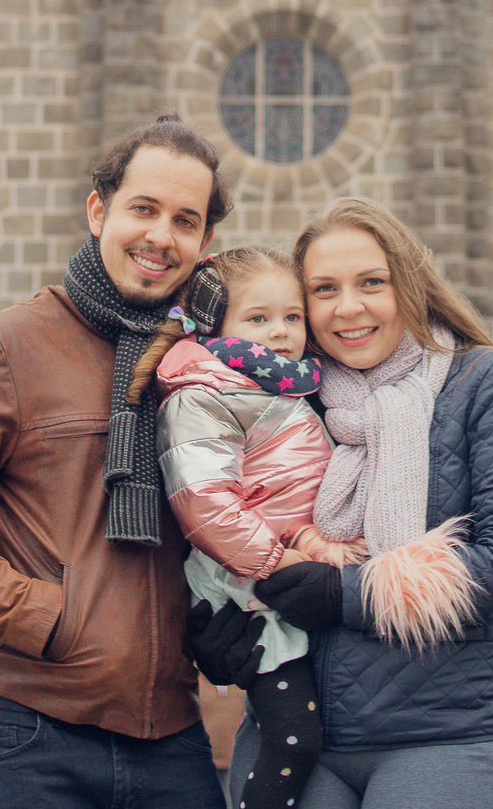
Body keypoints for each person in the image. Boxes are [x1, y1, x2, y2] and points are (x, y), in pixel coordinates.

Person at [0, 111, 234, 809]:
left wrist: (213, 630)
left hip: (174, 737)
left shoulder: (204, 365)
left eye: (185, 220)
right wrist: (44, 617)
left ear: (205, 240)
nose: (161, 236)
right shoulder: (2, 349)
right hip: (28, 734)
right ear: (99, 211)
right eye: (144, 209)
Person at [201, 197, 493, 809]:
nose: (349, 307)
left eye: (373, 282)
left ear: (411, 284)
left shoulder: (486, 383)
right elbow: (226, 516)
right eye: (324, 289)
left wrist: (347, 593)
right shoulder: (290, 400)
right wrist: (218, 626)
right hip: (296, 736)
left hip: (442, 738)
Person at [134, 245, 366, 809]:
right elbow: (206, 503)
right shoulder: (205, 392)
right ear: (217, 325)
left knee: (308, 736)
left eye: (291, 317)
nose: (281, 332)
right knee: (294, 742)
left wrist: (320, 547)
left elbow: (287, 497)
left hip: (284, 572)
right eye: (258, 319)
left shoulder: (285, 386)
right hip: (247, 589)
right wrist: (281, 564)